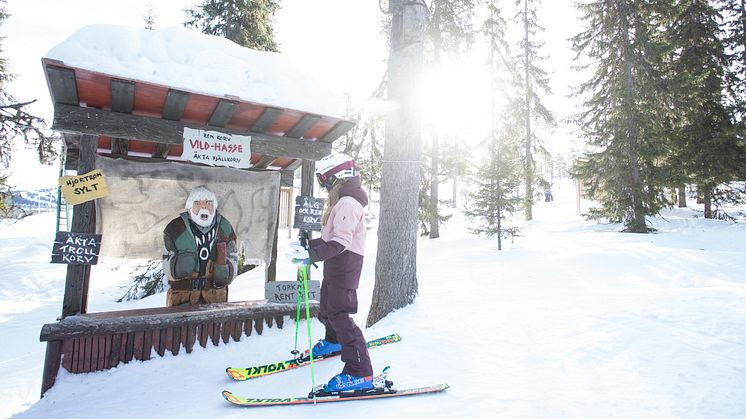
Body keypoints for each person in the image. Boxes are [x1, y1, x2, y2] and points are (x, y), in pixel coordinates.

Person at [288, 153, 374, 392]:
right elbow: (330, 239)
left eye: (324, 179)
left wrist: (311, 255)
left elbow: (340, 242)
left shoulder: (347, 202)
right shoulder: (342, 201)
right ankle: (333, 342)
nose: (323, 185)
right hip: (336, 265)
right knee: (327, 308)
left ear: (337, 177)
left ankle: (360, 371)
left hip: (345, 265)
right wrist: (310, 246)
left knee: (340, 315)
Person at [163, 185, 238, 306]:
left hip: (215, 296)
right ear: (189, 207)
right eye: (197, 203)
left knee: (214, 324)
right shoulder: (175, 228)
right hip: (182, 297)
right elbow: (166, 260)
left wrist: (226, 271)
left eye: (209, 203)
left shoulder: (225, 228)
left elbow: (233, 257)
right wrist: (179, 266)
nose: (204, 207)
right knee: (182, 324)